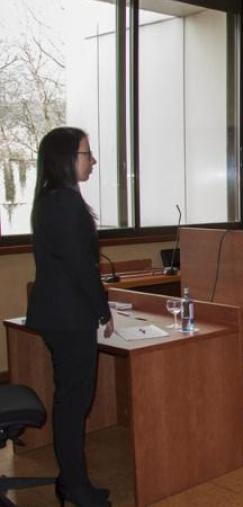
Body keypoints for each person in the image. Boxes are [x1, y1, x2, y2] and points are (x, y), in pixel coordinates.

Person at [26, 127, 113, 507]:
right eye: (86, 153)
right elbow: (80, 266)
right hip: (69, 316)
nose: (92, 160)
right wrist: (102, 308)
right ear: (65, 159)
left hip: (60, 313)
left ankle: (71, 481)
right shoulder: (63, 202)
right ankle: (75, 488)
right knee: (74, 404)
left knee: (72, 402)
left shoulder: (53, 199)